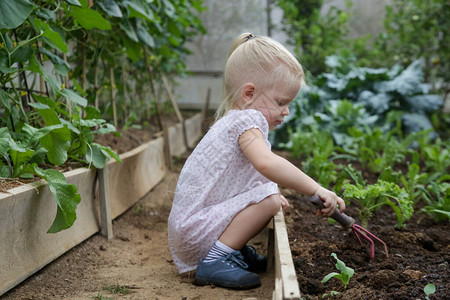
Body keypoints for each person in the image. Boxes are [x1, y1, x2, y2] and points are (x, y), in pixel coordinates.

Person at [167, 33, 345, 289]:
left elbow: (238, 178)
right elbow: (266, 163)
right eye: (281, 102)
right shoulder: (246, 121)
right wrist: (316, 188)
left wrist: (262, 194)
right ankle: (217, 259)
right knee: (270, 199)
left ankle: (233, 249)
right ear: (249, 93)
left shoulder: (233, 121)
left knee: (270, 196)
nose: (286, 111)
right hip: (195, 232)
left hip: (190, 229)